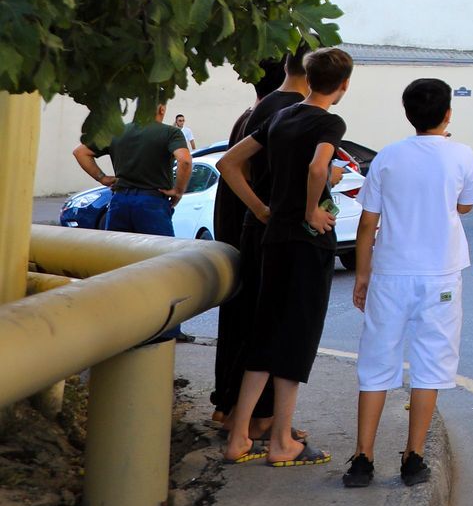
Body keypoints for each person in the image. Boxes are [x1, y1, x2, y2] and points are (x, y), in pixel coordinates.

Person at [344, 78, 473, 491]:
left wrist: (362, 275)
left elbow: (368, 223)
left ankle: (363, 458)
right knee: (431, 365)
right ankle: (412, 457)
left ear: (408, 114)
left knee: (375, 364)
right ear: (447, 114)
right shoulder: (461, 155)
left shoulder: (387, 157)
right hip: (440, 274)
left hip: (389, 273)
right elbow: (465, 204)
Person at [221, 46, 355, 467]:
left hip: (271, 239)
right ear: (344, 85)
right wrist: (313, 208)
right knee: (295, 340)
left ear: (305, 77)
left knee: (263, 334)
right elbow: (318, 167)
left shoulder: (280, 115)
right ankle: (282, 441)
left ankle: (239, 436)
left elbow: (228, 164)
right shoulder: (329, 121)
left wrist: (262, 208)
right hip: (305, 243)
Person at [211, 51, 309, 434]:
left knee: (241, 320)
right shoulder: (289, 112)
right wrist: (265, 211)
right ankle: (258, 418)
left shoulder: (254, 113)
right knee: (268, 325)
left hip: (242, 229)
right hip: (266, 232)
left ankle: (229, 406)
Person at [73, 97, 191, 237]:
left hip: (119, 201)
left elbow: (80, 152)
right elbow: (185, 161)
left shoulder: (116, 132)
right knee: (159, 254)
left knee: (119, 254)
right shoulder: (171, 133)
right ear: (161, 109)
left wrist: (102, 178)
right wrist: (178, 191)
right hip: (152, 202)